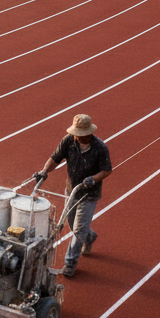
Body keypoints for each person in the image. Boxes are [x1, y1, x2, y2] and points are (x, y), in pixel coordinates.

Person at [33, 114, 113, 278]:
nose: (78, 137)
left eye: (82, 134)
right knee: (71, 223)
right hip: (71, 190)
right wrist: (44, 171)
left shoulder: (100, 148)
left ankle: (70, 262)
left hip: (89, 194)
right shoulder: (68, 141)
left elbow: (106, 170)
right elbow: (55, 158)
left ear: (89, 133)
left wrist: (93, 179)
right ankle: (89, 236)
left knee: (78, 229)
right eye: (77, 134)